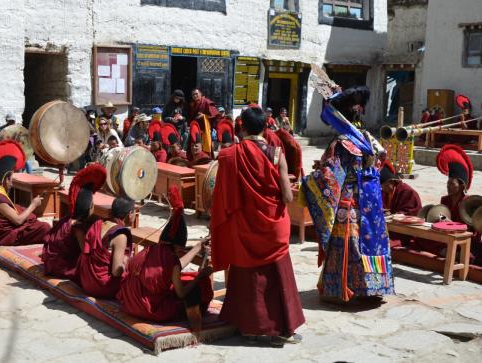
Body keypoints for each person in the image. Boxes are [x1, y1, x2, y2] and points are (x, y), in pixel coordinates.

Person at [211, 106, 305, 345]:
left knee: (247, 275)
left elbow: (223, 195)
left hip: (245, 225)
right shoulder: (276, 154)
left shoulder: (230, 155)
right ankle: (282, 330)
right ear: (266, 127)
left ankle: (248, 326)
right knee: (277, 276)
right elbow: (287, 196)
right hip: (273, 226)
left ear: (241, 126)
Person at [300, 87, 394, 303]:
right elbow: (377, 164)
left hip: (351, 199)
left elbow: (330, 177)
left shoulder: (342, 143)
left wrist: (310, 180)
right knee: (372, 239)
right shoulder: (368, 139)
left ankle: (346, 289)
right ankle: (373, 287)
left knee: (350, 241)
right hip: (372, 198)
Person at [117, 186, 213, 337]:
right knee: (196, 286)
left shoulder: (150, 250)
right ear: (177, 245)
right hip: (151, 310)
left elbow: (170, 267)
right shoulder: (171, 260)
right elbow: (181, 293)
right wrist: (202, 275)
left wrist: (197, 248)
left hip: (129, 303)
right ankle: (196, 325)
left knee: (186, 278)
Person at [0, 140, 50, 246]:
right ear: (5, 179)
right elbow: (18, 221)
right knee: (44, 227)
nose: (11, 183)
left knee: (21, 209)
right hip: (0, 237)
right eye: (11, 179)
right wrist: (33, 205)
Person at [42, 164, 106, 281]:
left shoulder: (67, 218)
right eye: (92, 204)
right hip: (61, 266)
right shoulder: (78, 227)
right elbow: (85, 254)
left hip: (52, 260)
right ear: (88, 207)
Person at [77, 197, 136, 299]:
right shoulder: (120, 235)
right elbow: (116, 271)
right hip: (102, 286)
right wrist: (126, 261)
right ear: (130, 214)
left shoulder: (98, 224)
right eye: (135, 212)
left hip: (86, 281)